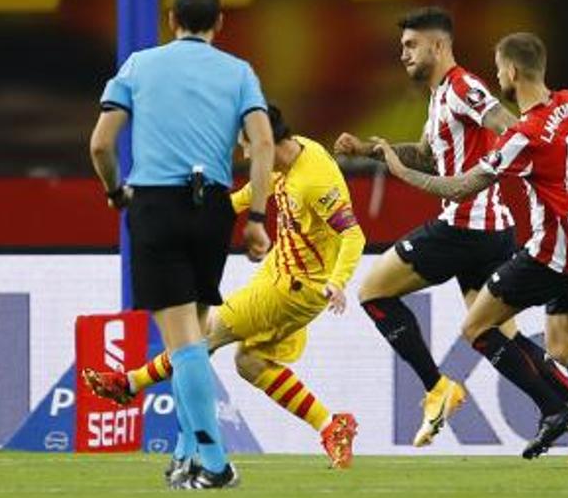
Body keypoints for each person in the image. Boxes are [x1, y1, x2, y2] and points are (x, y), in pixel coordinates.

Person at [377, 33, 568, 466]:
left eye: (497, 68)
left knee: (476, 328)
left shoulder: (523, 136)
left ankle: (558, 409)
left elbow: (460, 186)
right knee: (563, 345)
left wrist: (397, 168)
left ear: (510, 72)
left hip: (550, 253)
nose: (495, 76)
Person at [335, 8, 568, 461]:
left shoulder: (463, 86)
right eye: (402, 47)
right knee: (502, 335)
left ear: (438, 46)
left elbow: (511, 127)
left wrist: (532, 168)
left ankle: (437, 388)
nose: (403, 54)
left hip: (465, 225)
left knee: (373, 292)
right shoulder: (441, 96)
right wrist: (370, 150)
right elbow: (424, 155)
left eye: (411, 45)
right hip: (490, 231)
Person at [84, 107, 361, 469]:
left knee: (206, 334)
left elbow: (353, 233)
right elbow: (249, 194)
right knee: (251, 362)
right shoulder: (290, 157)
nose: (246, 155)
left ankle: (130, 384)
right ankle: (331, 425)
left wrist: (338, 283)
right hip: (278, 269)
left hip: (296, 290)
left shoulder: (316, 180)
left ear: (268, 142)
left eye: (248, 147)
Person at [88, 0, 273, 490]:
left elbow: (101, 144)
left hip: (156, 204)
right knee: (194, 327)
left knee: (183, 340)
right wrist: (256, 218)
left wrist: (114, 192)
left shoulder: (140, 65)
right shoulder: (239, 72)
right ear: (220, 22)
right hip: (212, 207)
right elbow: (262, 142)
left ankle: (215, 463)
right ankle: (187, 451)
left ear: (172, 20)